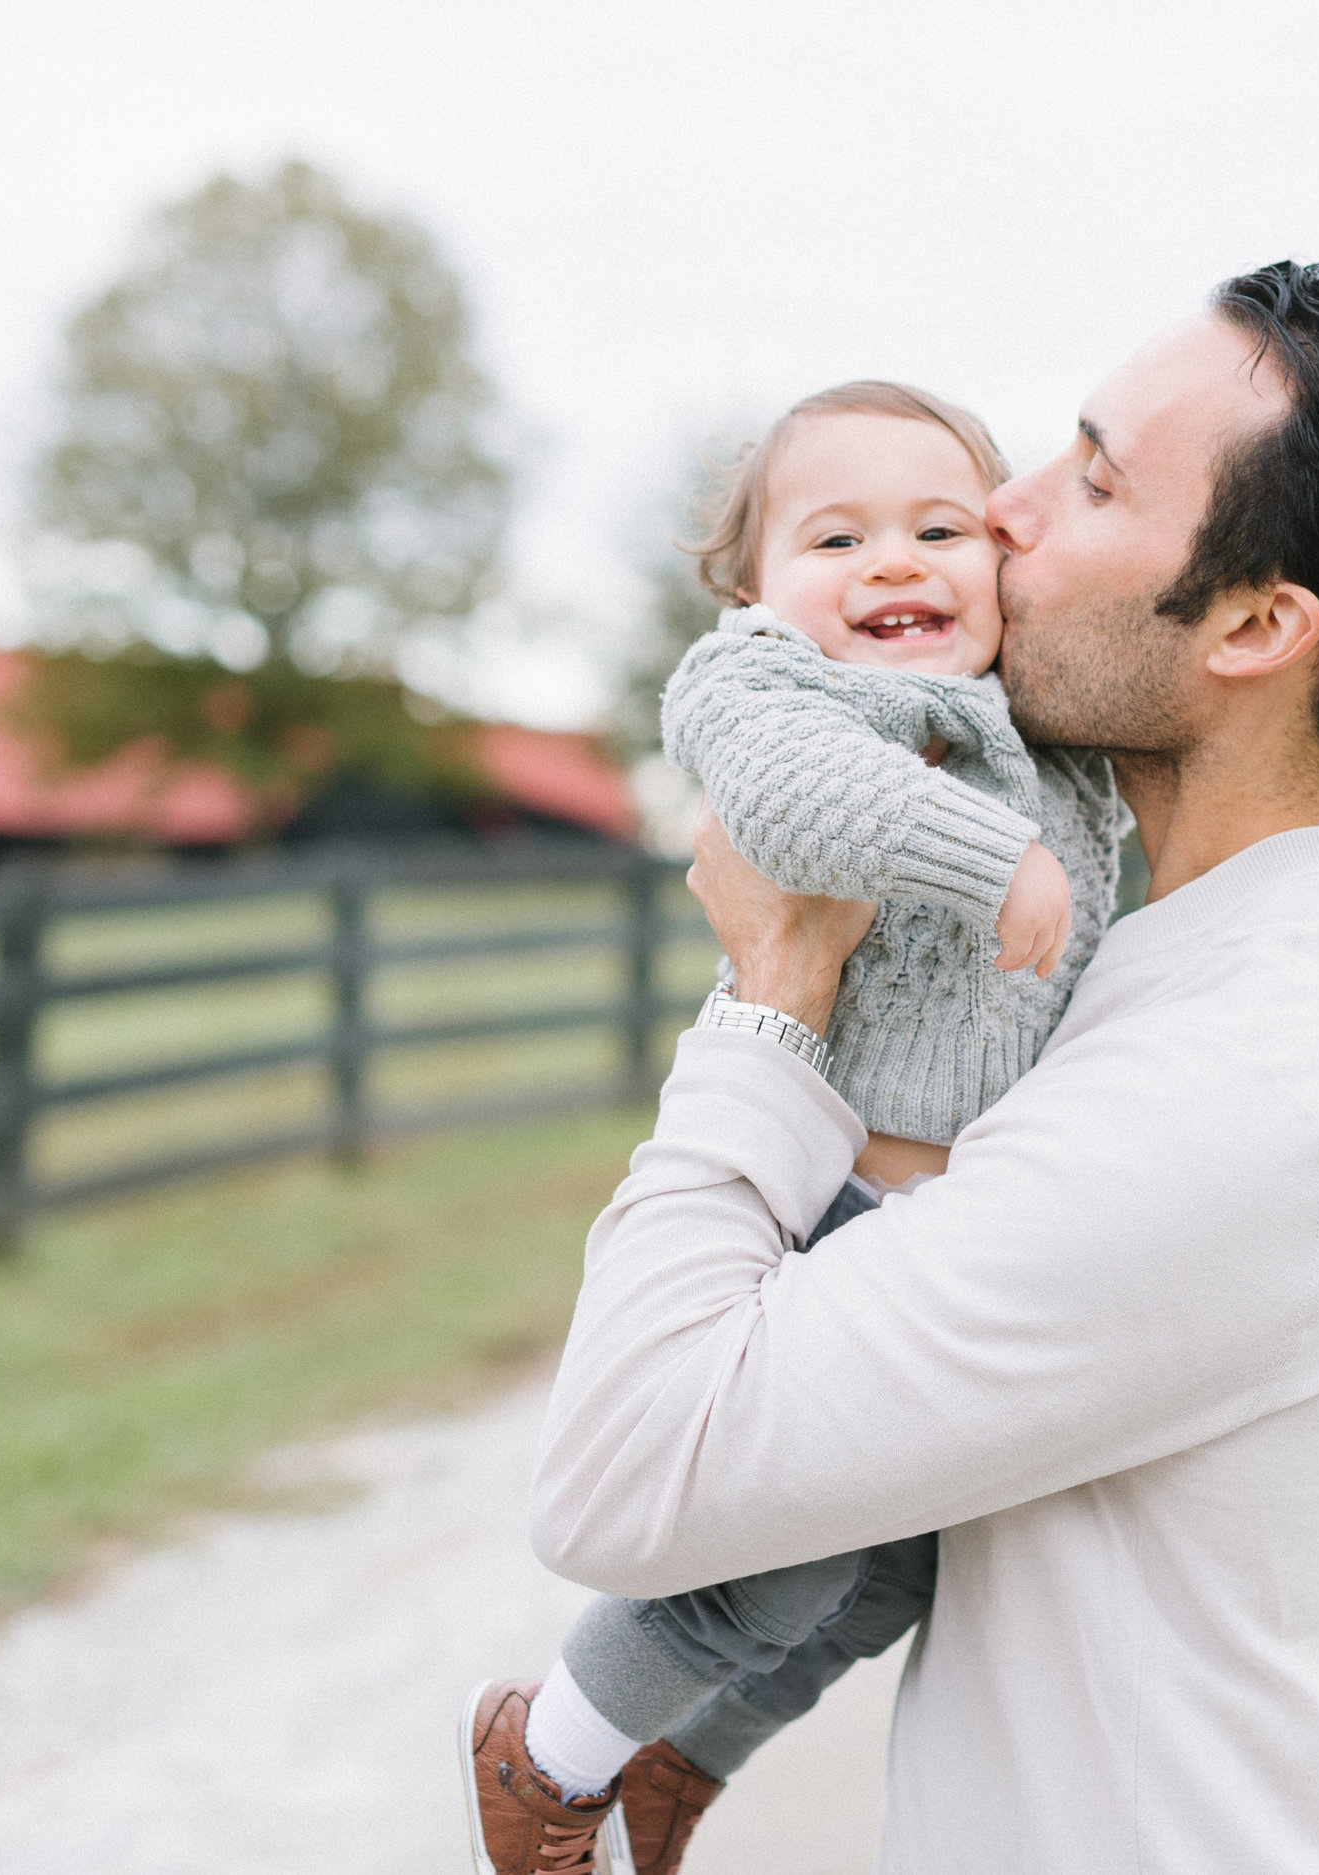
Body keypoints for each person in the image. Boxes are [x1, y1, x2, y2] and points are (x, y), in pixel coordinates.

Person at [518, 261, 1319, 1871]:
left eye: (1095, 478)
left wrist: (777, 991)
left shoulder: (1253, 1086)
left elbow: (627, 1478)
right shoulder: (1180, 954)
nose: (999, 509)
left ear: (1258, 625)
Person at [460, 381, 1128, 1875]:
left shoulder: (1041, 729)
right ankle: (547, 1759)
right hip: (820, 1200)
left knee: (904, 1569)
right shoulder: (768, 691)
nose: (895, 562)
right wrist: (992, 859)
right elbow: (793, 799)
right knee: (785, 1552)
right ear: (753, 593)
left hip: (946, 1227)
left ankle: (678, 1762)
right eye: (838, 537)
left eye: (941, 527)